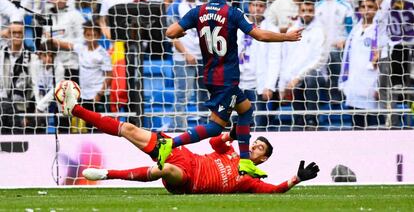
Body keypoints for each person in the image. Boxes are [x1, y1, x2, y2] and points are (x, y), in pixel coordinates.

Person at [59, 82, 319, 194]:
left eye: (259, 148)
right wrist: (232, 134)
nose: (253, 147)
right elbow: (215, 142)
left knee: (166, 169)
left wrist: (297, 179)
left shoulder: (249, 180)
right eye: (254, 143)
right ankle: (76, 109)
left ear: (263, 158)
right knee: (128, 128)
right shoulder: (234, 153)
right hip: (184, 154)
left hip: (188, 180)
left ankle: (108, 174)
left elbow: (274, 190)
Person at [162, 0, 303, 178]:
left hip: (211, 74)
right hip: (225, 78)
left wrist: (183, 32)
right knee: (214, 128)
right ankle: (170, 143)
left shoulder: (197, 12)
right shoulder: (233, 13)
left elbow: (171, 32)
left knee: (246, 110)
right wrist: (286, 37)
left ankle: (245, 161)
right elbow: (260, 35)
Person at [166, 0, 208, 130]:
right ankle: (178, 129)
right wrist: (186, 54)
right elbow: (171, 35)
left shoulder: (204, 6)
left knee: (205, 95)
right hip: (183, 59)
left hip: (203, 58)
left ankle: (205, 128)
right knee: (183, 95)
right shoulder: (174, 7)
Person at [278, 1, 328, 128]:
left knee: (310, 78)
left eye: (310, 11)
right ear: (299, 12)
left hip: (316, 77)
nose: (307, 14)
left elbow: (320, 60)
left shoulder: (320, 31)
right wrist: (283, 85)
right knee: (296, 84)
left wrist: (297, 77)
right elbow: (286, 59)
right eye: (304, 10)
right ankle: (299, 120)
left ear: (314, 12)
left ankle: (312, 119)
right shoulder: (291, 30)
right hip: (295, 78)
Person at [237, 0, 281, 129]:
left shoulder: (272, 29)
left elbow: (275, 60)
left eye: (261, 6)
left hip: (257, 85)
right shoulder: (238, 26)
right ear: (249, 7)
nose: (257, 9)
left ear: (265, 8)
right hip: (237, 82)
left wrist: (269, 85)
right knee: (236, 125)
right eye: (255, 5)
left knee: (258, 124)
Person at [339, 0, 382, 129]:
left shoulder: (380, 30)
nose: (366, 10)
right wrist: (343, 81)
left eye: (370, 6)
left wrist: (379, 86)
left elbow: (383, 62)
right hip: (354, 87)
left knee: (372, 128)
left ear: (377, 8)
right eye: (363, 6)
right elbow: (347, 58)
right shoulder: (355, 30)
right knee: (356, 128)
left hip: (371, 87)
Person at [52, 21, 112, 114]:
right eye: (88, 35)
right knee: (87, 124)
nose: (91, 38)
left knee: (99, 124)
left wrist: (100, 93)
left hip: (97, 95)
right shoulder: (82, 49)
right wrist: (51, 40)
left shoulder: (102, 54)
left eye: (94, 35)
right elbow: (68, 45)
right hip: (84, 95)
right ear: (84, 35)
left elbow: (109, 75)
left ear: (99, 36)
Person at [315, 0, 354, 103]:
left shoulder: (345, 6)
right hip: (319, 50)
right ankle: (322, 99)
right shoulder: (315, 7)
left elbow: (352, 32)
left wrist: (344, 41)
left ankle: (337, 96)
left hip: (339, 50)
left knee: (333, 55)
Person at [0, 22, 34, 134]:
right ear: (8, 35)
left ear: (24, 35)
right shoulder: (1, 54)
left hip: (20, 110)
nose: (17, 35)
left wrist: (28, 114)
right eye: (14, 33)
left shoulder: (30, 57)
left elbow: (34, 88)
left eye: (20, 33)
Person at [45, 0, 85, 84]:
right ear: (51, 0)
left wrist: (57, 43)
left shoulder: (75, 15)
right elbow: (44, 41)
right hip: (54, 68)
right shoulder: (47, 17)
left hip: (72, 66)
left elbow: (83, 41)